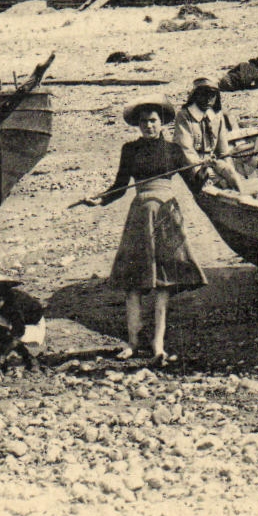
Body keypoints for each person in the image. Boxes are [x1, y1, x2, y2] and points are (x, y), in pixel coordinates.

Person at [83, 98, 206, 365]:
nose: (148, 126)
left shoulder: (174, 150)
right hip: (140, 215)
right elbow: (118, 186)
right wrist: (99, 199)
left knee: (164, 284)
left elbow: (195, 184)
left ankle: (158, 345)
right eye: (143, 122)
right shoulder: (130, 150)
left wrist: (207, 169)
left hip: (166, 215)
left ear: (162, 123)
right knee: (133, 283)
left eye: (153, 121)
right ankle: (132, 343)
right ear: (138, 125)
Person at [172, 78, 245, 192]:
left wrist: (229, 169)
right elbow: (186, 150)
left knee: (233, 177)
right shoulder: (184, 116)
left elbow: (223, 150)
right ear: (195, 95)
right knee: (216, 183)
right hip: (192, 166)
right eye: (204, 95)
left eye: (212, 95)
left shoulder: (217, 116)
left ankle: (243, 196)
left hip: (212, 161)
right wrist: (201, 171)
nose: (208, 99)